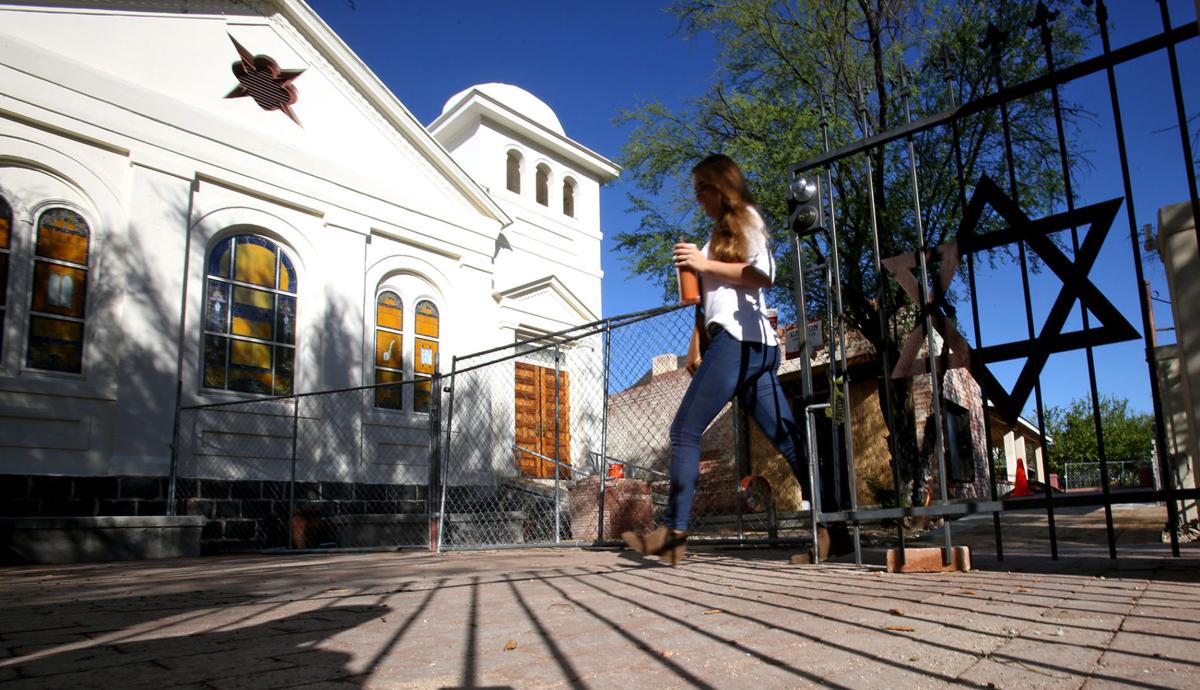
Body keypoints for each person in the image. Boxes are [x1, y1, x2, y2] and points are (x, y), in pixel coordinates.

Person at [622, 153, 849, 565]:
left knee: (684, 431)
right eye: (695, 192)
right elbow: (715, 299)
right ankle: (834, 532)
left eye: (703, 189)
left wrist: (702, 263)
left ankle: (672, 534)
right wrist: (697, 284)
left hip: (741, 343)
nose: (698, 199)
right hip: (751, 345)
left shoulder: (746, 218)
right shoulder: (718, 236)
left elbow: (763, 274)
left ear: (722, 186)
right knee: (790, 442)